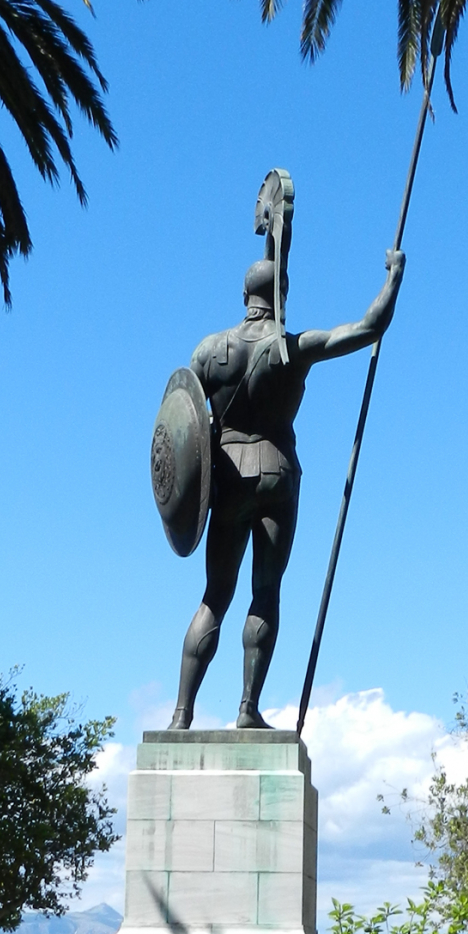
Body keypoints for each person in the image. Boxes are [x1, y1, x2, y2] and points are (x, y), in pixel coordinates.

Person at [168, 247, 406, 729]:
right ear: (282, 296)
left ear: (244, 296)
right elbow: (368, 328)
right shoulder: (293, 348)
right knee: (266, 593)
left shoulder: (208, 351)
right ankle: (247, 709)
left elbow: (184, 420)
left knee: (215, 595)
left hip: (229, 478)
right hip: (277, 473)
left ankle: (180, 714)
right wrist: (394, 275)